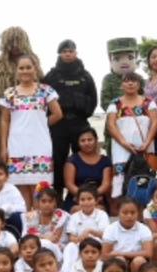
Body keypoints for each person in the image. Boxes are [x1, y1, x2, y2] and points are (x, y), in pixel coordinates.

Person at [0, 54, 64, 207]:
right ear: (16, 71)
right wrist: (3, 147)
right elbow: (4, 120)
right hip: (17, 145)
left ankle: (39, 227)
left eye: (28, 67)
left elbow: (58, 114)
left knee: (40, 190)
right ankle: (27, 227)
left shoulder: (46, 91)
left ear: (35, 69)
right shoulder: (9, 93)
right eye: (21, 68)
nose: (25, 71)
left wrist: (41, 124)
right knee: (21, 191)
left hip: (40, 145)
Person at [45, 39, 98, 199]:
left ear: (76, 53)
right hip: (58, 125)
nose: (68, 54)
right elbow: (43, 100)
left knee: (83, 157)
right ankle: (57, 195)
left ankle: (84, 195)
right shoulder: (51, 76)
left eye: (71, 51)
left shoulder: (85, 75)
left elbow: (93, 100)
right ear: (60, 54)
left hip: (79, 123)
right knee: (57, 160)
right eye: (64, 51)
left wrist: (80, 105)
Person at [0, 26, 39, 163]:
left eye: (17, 41)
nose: (14, 45)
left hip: (27, 122)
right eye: (11, 41)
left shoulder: (33, 64)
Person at [105, 73, 156, 201]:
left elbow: (155, 123)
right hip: (121, 150)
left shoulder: (148, 103)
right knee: (122, 184)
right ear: (121, 85)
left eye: (134, 81)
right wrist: (124, 143)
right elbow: (111, 125)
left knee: (145, 182)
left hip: (145, 150)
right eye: (127, 81)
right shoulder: (115, 104)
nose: (130, 83)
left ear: (139, 84)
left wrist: (147, 142)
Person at [63, 128, 114, 210]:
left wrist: (93, 197)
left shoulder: (105, 160)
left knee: (99, 210)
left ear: (96, 140)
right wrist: (84, 197)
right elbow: (69, 184)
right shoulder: (72, 160)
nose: (86, 143)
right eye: (83, 141)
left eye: (89, 140)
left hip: (98, 199)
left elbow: (106, 184)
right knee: (77, 209)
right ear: (78, 143)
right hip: (76, 199)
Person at [62, 188, 109, 272]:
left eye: (89, 199)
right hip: (80, 243)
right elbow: (71, 237)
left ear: (96, 201)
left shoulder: (102, 215)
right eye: (82, 200)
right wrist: (79, 239)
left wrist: (90, 231)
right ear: (78, 201)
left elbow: (105, 234)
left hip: (97, 243)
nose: (86, 202)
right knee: (70, 246)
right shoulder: (74, 216)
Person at [102, 197, 153, 272]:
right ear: (118, 212)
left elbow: (148, 253)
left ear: (138, 213)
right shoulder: (110, 229)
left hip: (137, 258)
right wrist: (119, 256)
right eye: (125, 213)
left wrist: (121, 253)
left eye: (133, 213)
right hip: (117, 259)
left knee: (138, 261)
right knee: (119, 261)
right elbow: (105, 254)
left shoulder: (144, 229)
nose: (129, 216)